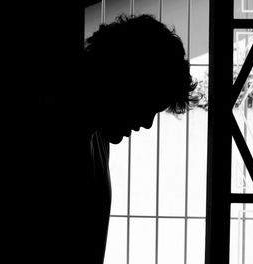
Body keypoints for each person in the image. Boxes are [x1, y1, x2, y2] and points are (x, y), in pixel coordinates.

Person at [28, 14, 198, 263]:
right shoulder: (47, 136)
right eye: (147, 105)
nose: (147, 123)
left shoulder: (96, 137)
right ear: (123, 83)